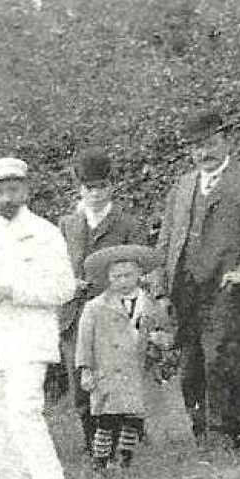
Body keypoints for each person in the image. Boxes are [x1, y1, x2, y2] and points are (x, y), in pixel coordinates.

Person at [152, 110, 240, 451]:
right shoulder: (182, 186)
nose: (202, 153)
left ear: (226, 141)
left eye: (208, 144)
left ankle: (225, 438)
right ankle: (203, 436)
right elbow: (166, 240)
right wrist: (160, 286)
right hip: (187, 293)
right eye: (195, 148)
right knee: (190, 371)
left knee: (224, 362)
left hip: (228, 290)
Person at [0, 157, 78, 479]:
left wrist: (13, 291)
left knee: (23, 411)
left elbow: (64, 289)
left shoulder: (45, 233)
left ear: (26, 190)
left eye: (12, 190)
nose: (6, 199)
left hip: (29, 339)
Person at [57, 149, 149, 452]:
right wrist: (70, 282)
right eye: (89, 188)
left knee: (120, 376)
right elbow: (56, 266)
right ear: (79, 189)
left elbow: (140, 267)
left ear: (112, 187)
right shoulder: (68, 224)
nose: (95, 194)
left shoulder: (127, 223)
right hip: (76, 313)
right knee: (81, 376)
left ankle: (127, 439)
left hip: (115, 311)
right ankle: (91, 441)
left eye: (101, 187)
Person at [76, 245, 170, 471]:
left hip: (137, 370)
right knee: (106, 419)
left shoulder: (150, 304)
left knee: (133, 417)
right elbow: (84, 341)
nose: (123, 281)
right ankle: (101, 460)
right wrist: (86, 369)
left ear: (139, 274)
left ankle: (125, 457)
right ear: (108, 278)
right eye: (116, 277)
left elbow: (165, 330)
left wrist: (160, 340)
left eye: (128, 275)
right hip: (107, 370)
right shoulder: (95, 307)